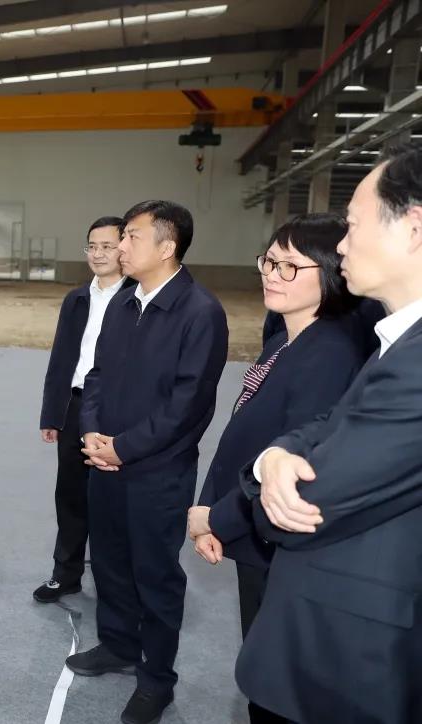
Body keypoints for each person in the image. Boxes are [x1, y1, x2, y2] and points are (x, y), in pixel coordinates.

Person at [235, 144, 422, 723]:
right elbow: (332, 424)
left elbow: (301, 508)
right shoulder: (397, 344)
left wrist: (269, 478)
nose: (341, 245)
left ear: (414, 227)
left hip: (348, 662)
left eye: (354, 225)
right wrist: (276, 455)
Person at [185, 214, 364, 723]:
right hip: (252, 530)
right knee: (263, 676)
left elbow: (297, 467)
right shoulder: (286, 339)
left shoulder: (329, 355)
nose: (272, 274)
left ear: (332, 273)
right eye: (269, 261)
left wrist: (217, 518)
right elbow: (245, 434)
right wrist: (210, 509)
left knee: (277, 690)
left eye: (290, 266)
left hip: (281, 547)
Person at [66, 200, 228, 724]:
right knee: (109, 562)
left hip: (157, 473)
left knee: (154, 576)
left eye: (132, 236)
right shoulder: (123, 302)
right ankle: (117, 644)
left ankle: (156, 679)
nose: (121, 246)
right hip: (105, 463)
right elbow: (95, 375)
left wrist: (124, 447)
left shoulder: (199, 313)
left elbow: (188, 404)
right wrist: (91, 432)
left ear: (167, 247)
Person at [35, 216, 133, 603]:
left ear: (124, 248)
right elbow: (61, 358)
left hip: (118, 410)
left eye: (107, 246)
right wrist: (52, 413)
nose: (98, 253)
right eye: (92, 246)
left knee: (113, 499)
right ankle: (66, 573)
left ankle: (115, 581)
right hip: (76, 406)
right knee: (71, 495)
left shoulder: (137, 298)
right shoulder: (76, 299)